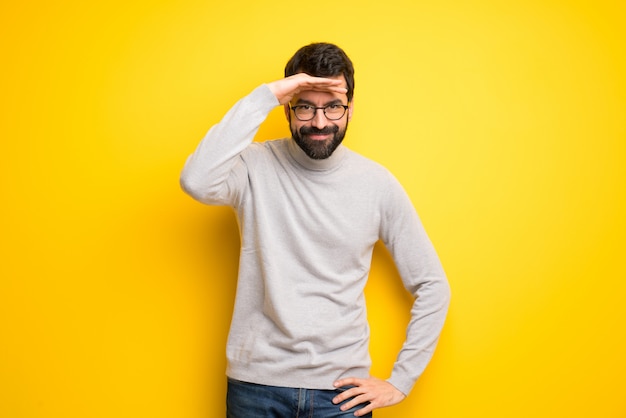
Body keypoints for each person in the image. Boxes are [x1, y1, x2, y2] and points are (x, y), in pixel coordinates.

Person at [180, 42, 450, 417]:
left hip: (340, 395)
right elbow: (196, 181)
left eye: (333, 107)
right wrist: (267, 95)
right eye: (305, 106)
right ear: (288, 109)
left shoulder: (377, 184)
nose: (320, 122)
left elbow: (433, 285)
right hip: (256, 386)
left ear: (350, 109)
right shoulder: (253, 166)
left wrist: (400, 381)